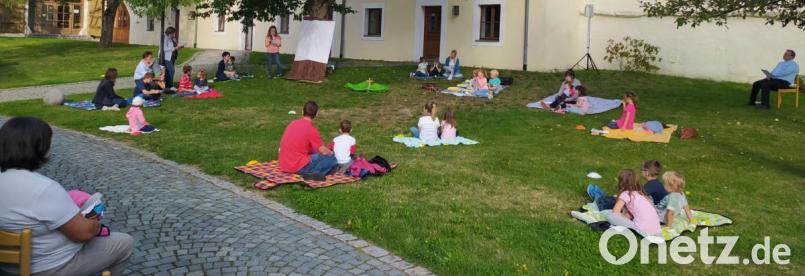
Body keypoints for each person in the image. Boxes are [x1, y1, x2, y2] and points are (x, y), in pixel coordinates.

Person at [0, 117, 134, 276]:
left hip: (6, 265)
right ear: (40, 148)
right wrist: (95, 224)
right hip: (46, 267)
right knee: (124, 242)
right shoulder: (43, 188)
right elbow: (82, 234)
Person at [278, 101, 336, 180]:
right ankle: (314, 173)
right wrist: (331, 152)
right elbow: (323, 151)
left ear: (302, 111)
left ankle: (313, 172)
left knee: (316, 155)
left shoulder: (292, 123)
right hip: (297, 166)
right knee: (332, 160)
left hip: (284, 164)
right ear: (316, 114)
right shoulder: (311, 130)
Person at [603, 169, 662, 236]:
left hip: (642, 230)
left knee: (610, 215)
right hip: (657, 230)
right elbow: (630, 214)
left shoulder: (626, 194)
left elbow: (615, 212)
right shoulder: (641, 194)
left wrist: (620, 217)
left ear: (621, 182)